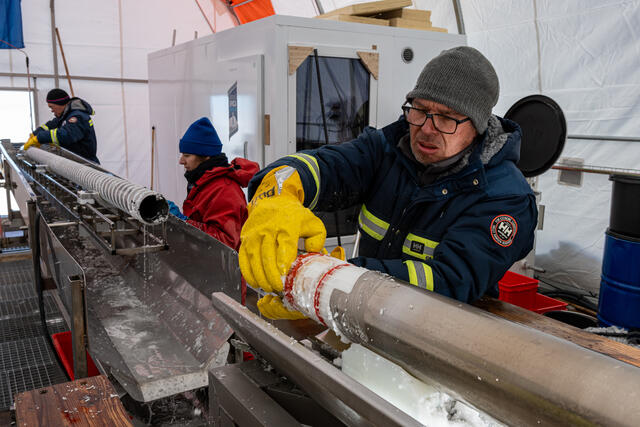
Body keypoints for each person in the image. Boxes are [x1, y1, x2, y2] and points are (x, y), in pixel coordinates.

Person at [240, 46, 538, 319]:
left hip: (443, 339)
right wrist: (277, 195)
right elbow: (324, 166)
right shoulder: (388, 149)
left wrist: (326, 278)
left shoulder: (505, 198)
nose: (427, 129)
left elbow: (450, 281)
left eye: (447, 118)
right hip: (363, 317)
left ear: (478, 126)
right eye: (420, 109)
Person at [167, 117, 259, 251]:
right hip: (204, 256)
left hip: (224, 264)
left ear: (206, 156)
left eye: (187, 155)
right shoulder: (203, 182)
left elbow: (225, 242)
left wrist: (183, 223)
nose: (181, 161)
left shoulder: (224, 190)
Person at [23, 89, 99, 163]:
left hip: (85, 164)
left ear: (60, 104)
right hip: (74, 162)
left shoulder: (77, 117)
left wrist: (39, 138)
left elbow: (67, 135)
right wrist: (35, 134)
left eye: (51, 107)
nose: (52, 110)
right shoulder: (65, 115)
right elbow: (50, 125)